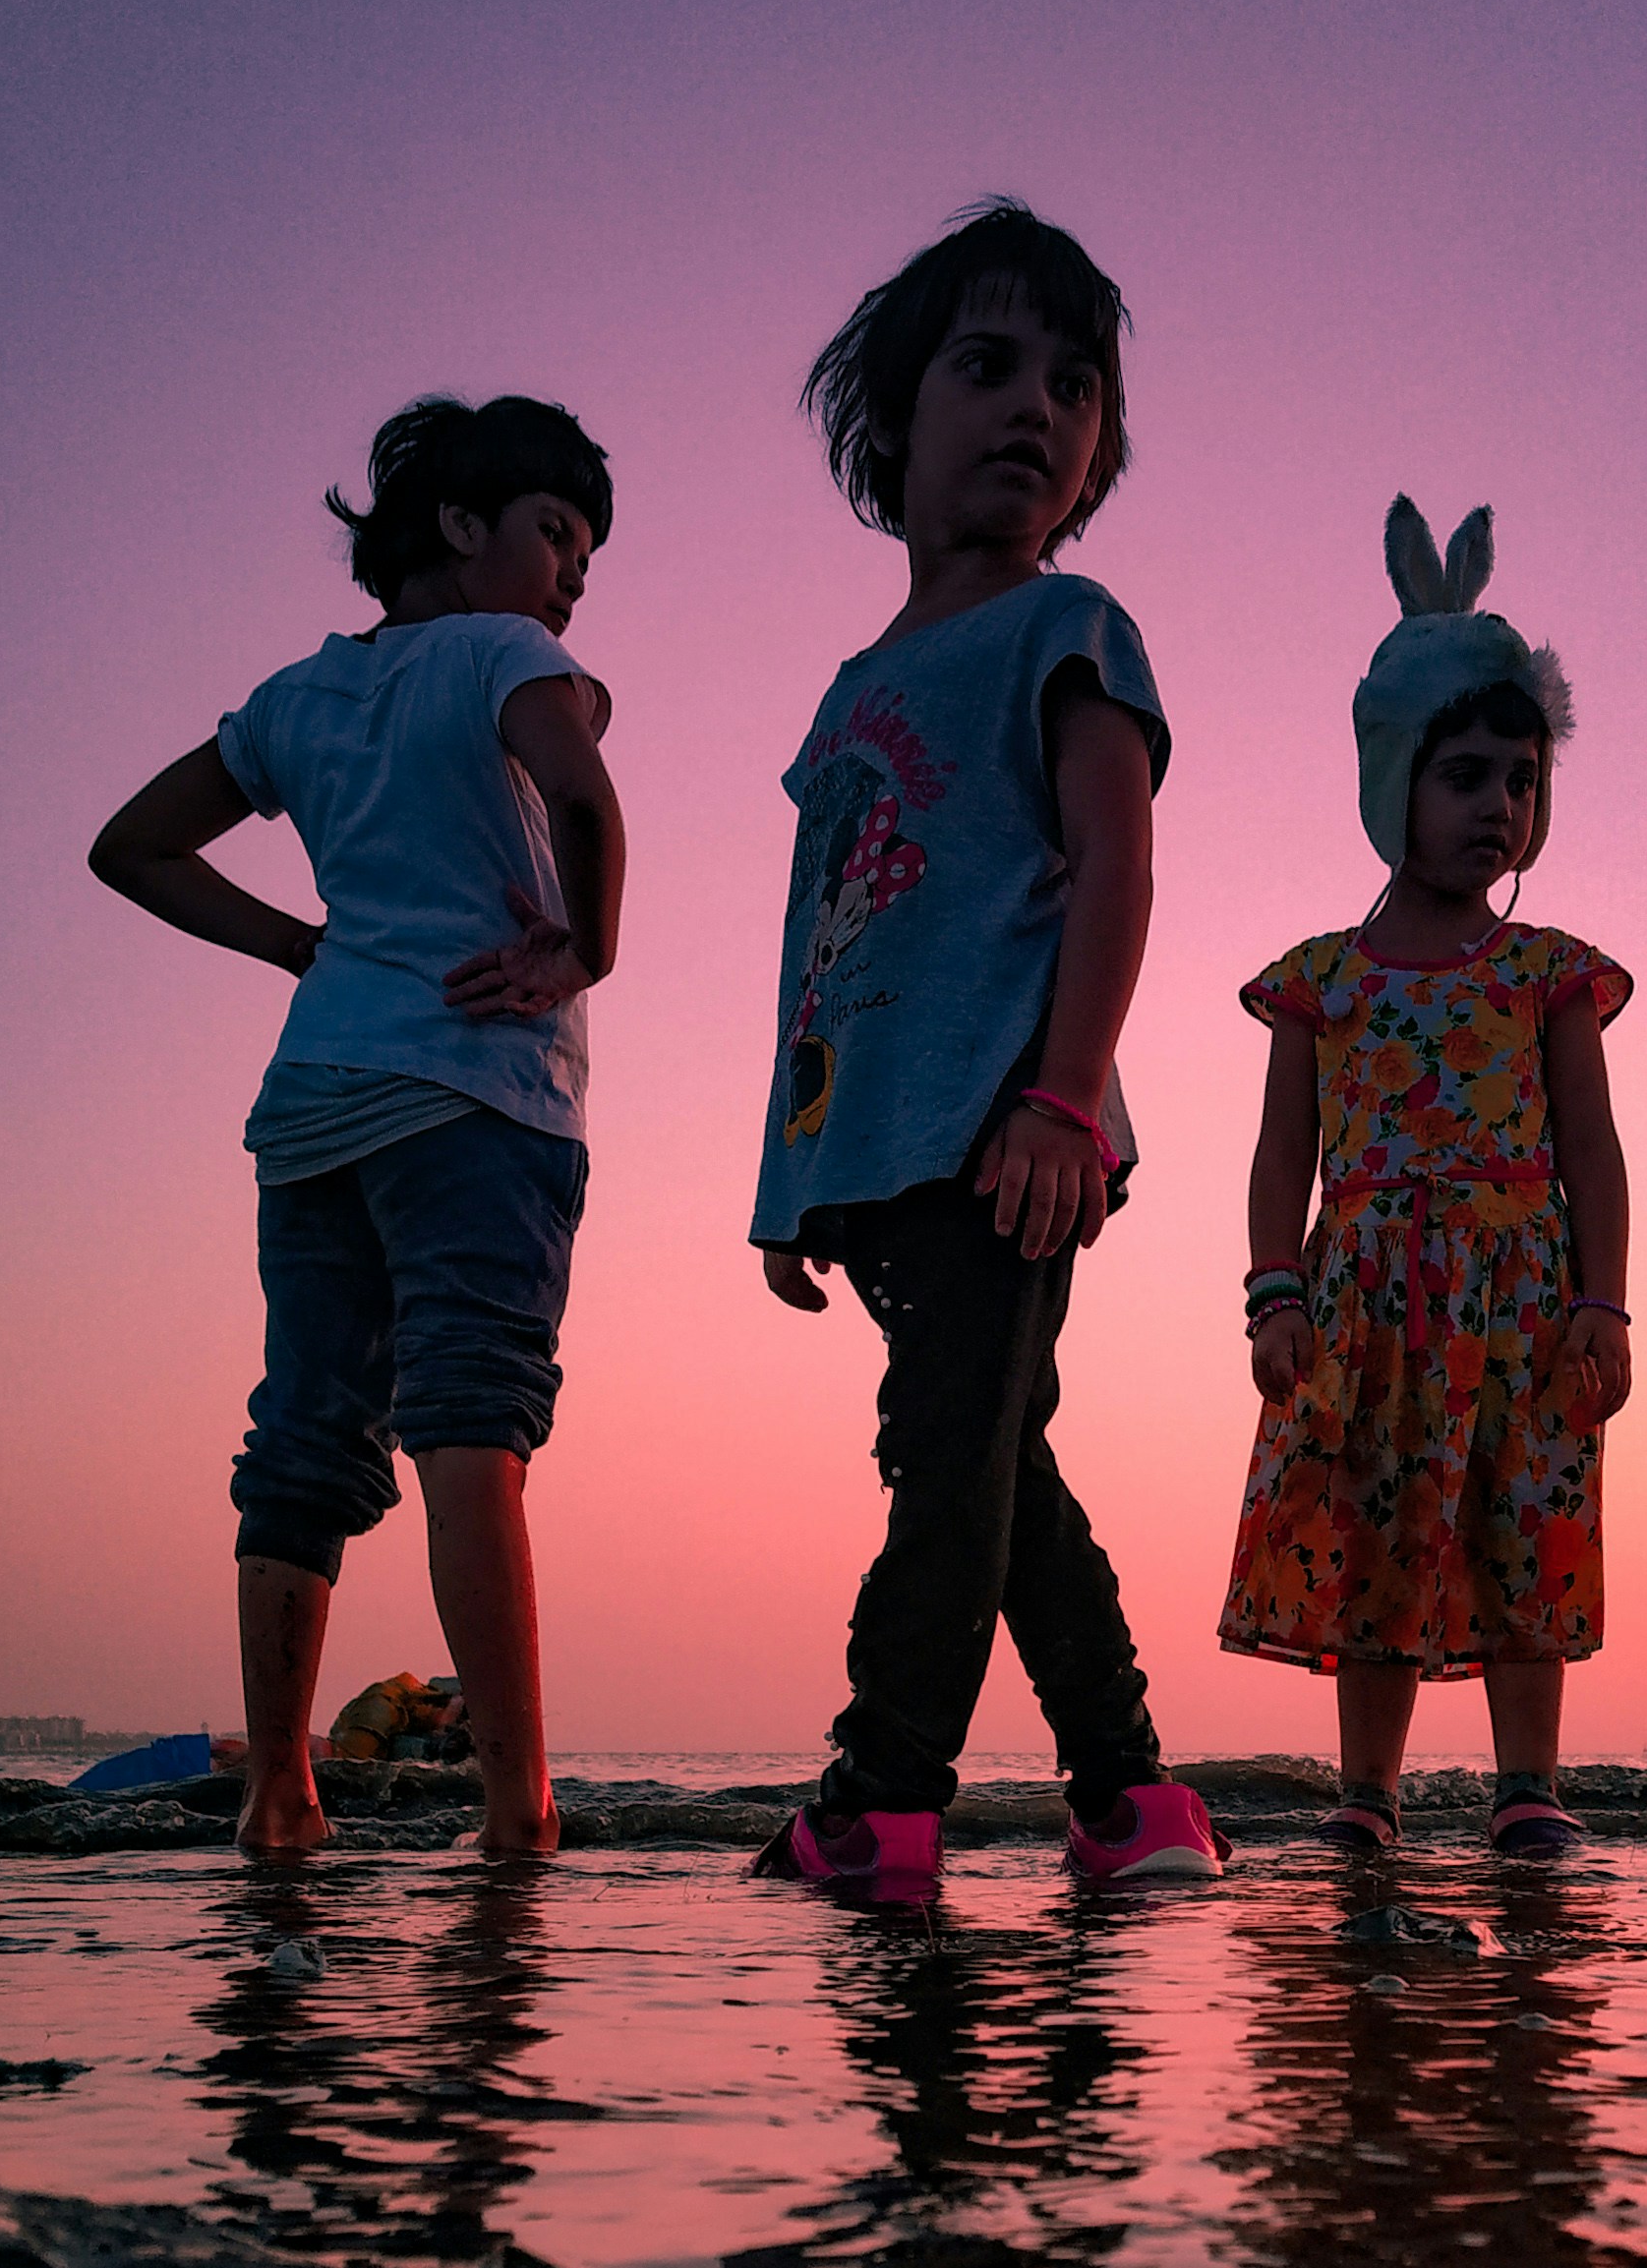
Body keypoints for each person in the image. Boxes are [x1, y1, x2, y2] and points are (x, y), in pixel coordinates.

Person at [752, 201, 1223, 1891]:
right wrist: (790, 1176)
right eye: (990, 366)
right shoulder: (844, 697)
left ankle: (883, 1801)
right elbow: (825, 952)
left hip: (1012, 1125)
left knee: (948, 1452)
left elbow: (1116, 865)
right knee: (985, 1448)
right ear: (894, 420)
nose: (1038, 404)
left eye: (1075, 384)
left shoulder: (1068, 627)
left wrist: (1065, 1095)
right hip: (880, 1151)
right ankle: (1131, 1799)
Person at [88, 393, 624, 1857]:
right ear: (461, 527)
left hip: (315, 1106)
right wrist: (587, 947)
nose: (575, 571)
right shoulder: (510, 653)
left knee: (307, 1434)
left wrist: (291, 946)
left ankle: (278, 1792)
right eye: (557, 532)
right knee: (470, 1422)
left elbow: (129, 846)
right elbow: (581, 791)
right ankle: (517, 1804)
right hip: (479, 1093)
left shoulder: (294, 699)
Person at [1220, 495, 1632, 1860]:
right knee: (1373, 1535)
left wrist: (1604, 1306)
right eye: (1465, 777)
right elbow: (1284, 1153)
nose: (1498, 808)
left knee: (1522, 1521)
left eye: (1520, 783)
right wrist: (1273, 1293)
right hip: (1364, 1302)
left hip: (1521, 1299)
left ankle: (1527, 1787)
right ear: (1392, 781)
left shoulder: (1545, 972)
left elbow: (1591, 1150)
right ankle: (1368, 1796)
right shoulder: (1318, 983)